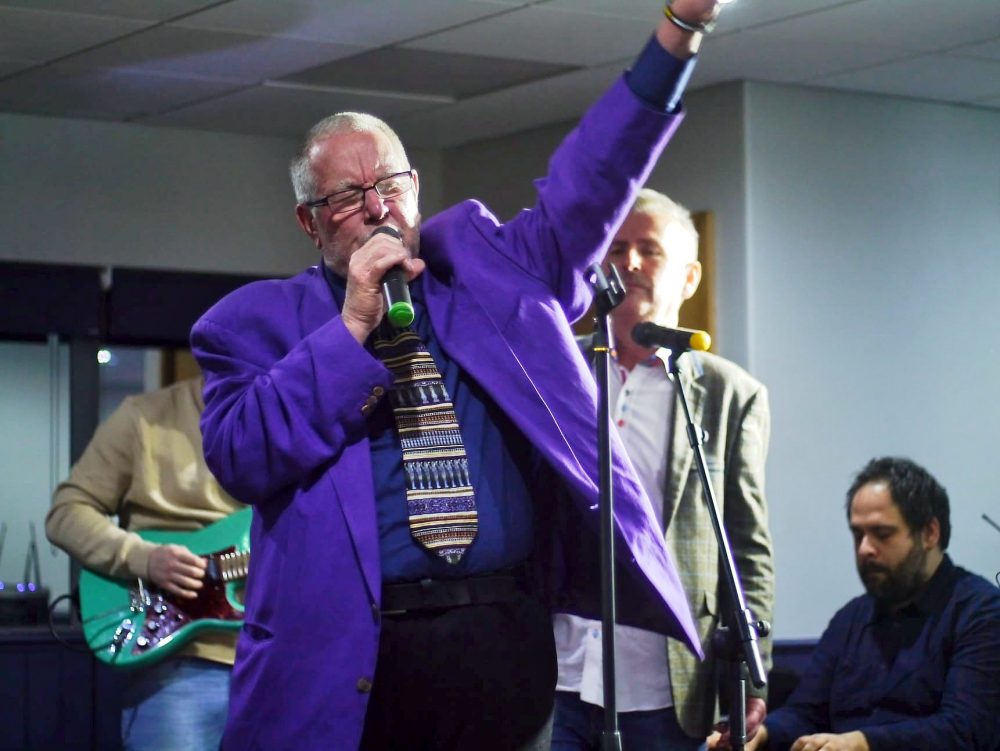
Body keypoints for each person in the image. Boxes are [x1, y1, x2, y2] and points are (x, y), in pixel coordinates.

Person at [191, 2, 730, 748]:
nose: (378, 206)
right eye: (348, 197)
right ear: (310, 223)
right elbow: (242, 457)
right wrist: (352, 326)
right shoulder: (250, 323)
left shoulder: (484, 269)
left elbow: (592, 181)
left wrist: (677, 34)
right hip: (354, 658)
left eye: (391, 184)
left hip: (499, 642)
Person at [551, 189, 774, 750]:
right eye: (617, 248)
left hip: (666, 684)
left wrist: (753, 671)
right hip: (556, 671)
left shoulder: (729, 395)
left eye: (649, 250)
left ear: (690, 277)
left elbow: (745, 544)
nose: (628, 263)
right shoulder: (556, 369)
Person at [722, 457, 1000, 751]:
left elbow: (965, 731)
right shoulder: (851, 618)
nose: (865, 548)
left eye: (882, 534)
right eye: (858, 535)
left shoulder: (982, 614)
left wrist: (861, 743)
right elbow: (805, 713)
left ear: (930, 533)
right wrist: (758, 735)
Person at [45, 375, 245, 751]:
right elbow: (66, 514)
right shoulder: (143, 416)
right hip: (180, 660)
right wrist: (144, 558)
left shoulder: (294, 421)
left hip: (280, 660)